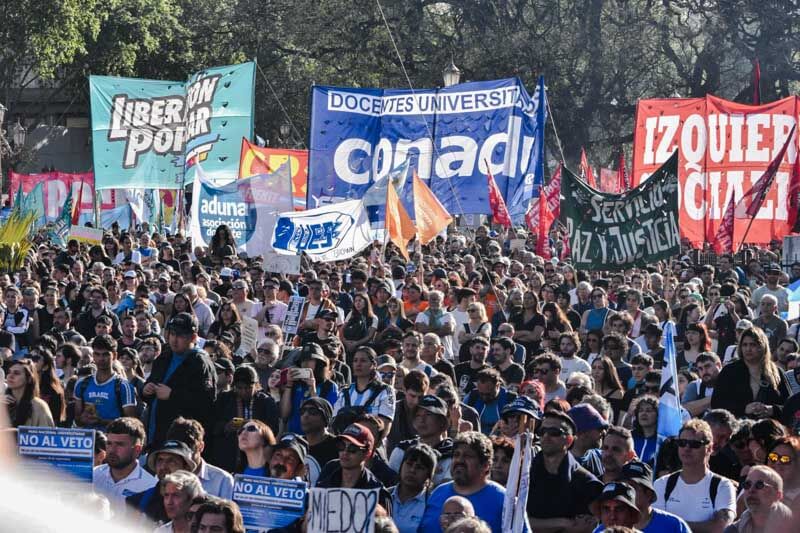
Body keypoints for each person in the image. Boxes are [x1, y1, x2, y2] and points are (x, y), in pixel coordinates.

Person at [143, 313, 217, 449]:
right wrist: (146, 389)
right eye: (172, 334)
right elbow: (151, 384)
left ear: (193, 337)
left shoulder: (200, 362)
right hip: (156, 434)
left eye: (181, 335)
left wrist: (173, 395)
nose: (174, 339)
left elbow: (206, 402)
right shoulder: (164, 356)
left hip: (182, 440)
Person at [653, 419, 736, 532]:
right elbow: (657, 526)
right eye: (682, 443)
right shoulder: (662, 484)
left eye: (694, 444)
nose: (687, 448)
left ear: (709, 449)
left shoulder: (723, 486)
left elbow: (720, 527)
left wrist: (675, 527)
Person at [527, 411, 603, 532]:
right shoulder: (525, 475)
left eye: (554, 433)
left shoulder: (588, 483)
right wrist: (563, 523)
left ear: (569, 440)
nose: (546, 436)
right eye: (542, 431)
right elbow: (516, 520)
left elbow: (585, 527)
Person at [419, 431, 508, 533]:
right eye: (456, 455)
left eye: (468, 456)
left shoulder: (503, 499)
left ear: (485, 465)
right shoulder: (437, 493)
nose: (459, 460)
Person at [710, 327, 791, 419]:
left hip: (769, 428)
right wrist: (743, 409)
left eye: (753, 345)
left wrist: (772, 410)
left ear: (762, 346)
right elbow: (716, 403)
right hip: (737, 427)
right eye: (744, 345)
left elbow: (791, 406)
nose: (748, 349)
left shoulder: (776, 372)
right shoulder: (729, 371)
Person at [211, 365, 279, 472]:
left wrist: (255, 427)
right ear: (234, 386)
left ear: (256, 385)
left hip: (256, 457)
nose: (243, 391)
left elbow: (273, 429)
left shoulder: (266, 402)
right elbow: (211, 425)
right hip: (228, 455)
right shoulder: (224, 399)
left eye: (248, 388)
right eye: (239, 388)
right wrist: (226, 426)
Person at [593, 461, 691, 533]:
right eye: (623, 486)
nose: (626, 492)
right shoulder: (603, 530)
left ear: (648, 494)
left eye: (631, 487)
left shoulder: (674, 526)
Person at [316, 423, 391, 510]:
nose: (345, 452)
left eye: (353, 448)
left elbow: (386, 523)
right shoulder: (325, 483)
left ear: (367, 453)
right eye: (342, 446)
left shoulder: (378, 493)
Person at [93, 417, 157, 512]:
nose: (112, 450)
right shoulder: (93, 476)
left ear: (137, 450)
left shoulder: (150, 486)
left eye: (120, 444)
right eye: (109, 443)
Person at [74, 335, 137, 430]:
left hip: (113, 441)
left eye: (105, 354)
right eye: (97, 354)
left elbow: (131, 424)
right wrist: (83, 418)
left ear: (114, 355)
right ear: (93, 355)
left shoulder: (124, 386)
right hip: (88, 441)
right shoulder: (82, 384)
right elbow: (77, 419)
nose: (101, 359)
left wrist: (101, 421)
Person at [127, 440, 198, 524]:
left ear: (186, 467)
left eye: (171, 461)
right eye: (160, 460)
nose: (163, 466)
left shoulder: (199, 506)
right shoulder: (136, 503)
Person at [389, 395, 454, 486]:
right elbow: (391, 485)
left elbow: (447, 491)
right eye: (418, 415)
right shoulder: (402, 450)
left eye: (428, 415)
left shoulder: (453, 454)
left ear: (442, 422)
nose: (422, 420)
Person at [166, 417, 234, 499]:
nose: (184, 455)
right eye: (178, 450)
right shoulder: (165, 476)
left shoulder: (223, 480)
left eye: (189, 449)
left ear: (201, 446)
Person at [333, 346, 395, 435]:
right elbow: (334, 423)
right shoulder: (344, 392)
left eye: (363, 361)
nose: (358, 364)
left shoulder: (386, 391)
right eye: (355, 360)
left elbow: (385, 427)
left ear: (374, 364)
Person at [723, 465, 793, 533]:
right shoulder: (733, 530)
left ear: (778, 495)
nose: (751, 490)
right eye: (747, 484)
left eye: (759, 485)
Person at [391, 443, 437, 533]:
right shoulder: (383, 495)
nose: (412, 470)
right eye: (409, 464)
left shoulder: (432, 503)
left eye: (419, 467)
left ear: (429, 475)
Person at [463, 368, 516, 435]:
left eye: (488, 394)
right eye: (481, 394)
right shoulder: (472, 397)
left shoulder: (511, 399)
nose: (484, 397)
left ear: (497, 386)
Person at [3, 359, 55, 427]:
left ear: (29, 379)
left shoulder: (39, 406)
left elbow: (46, 435)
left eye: (16, 373)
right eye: (9, 372)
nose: (10, 376)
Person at [299, 397, 337, 485]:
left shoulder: (337, 446)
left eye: (313, 412)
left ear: (325, 418)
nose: (305, 415)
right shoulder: (297, 444)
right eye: (302, 411)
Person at [568, 403, 609, 478]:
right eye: (599, 429)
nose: (604, 433)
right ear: (581, 433)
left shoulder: (601, 457)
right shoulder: (562, 462)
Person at [416, 290, 457, 360]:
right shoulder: (421, 315)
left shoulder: (448, 315)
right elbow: (420, 329)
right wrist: (441, 329)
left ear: (441, 301)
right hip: (425, 355)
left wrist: (428, 330)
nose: (433, 301)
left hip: (446, 354)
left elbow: (449, 330)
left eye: (436, 299)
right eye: (431, 299)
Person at [682, 352, 721, 417]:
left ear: (718, 365)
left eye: (707, 366)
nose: (704, 371)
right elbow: (683, 411)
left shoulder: (731, 383)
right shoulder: (695, 386)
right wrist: (718, 397)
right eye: (700, 368)